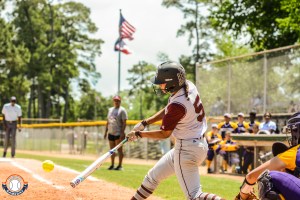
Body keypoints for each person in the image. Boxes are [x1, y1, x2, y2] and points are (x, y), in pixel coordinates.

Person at [127, 61, 224, 200]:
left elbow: (164, 134)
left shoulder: (177, 105)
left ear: (172, 83)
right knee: (152, 177)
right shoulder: (188, 85)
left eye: (162, 83)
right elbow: (168, 109)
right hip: (198, 145)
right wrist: (145, 122)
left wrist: (139, 134)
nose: (159, 85)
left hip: (186, 150)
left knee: (194, 196)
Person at [235, 112, 300, 200]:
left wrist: (243, 196)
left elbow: (251, 176)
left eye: (293, 131)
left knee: (268, 176)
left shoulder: (296, 151)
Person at [104, 95, 128, 170]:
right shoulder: (110, 110)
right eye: (115, 100)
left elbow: (124, 122)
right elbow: (108, 121)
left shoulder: (122, 110)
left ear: (120, 101)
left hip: (118, 133)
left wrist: (122, 132)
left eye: (118, 100)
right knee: (111, 150)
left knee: (119, 150)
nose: (116, 102)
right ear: (113, 101)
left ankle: (120, 165)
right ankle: (112, 165)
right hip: (111, 132)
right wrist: (105, 132)